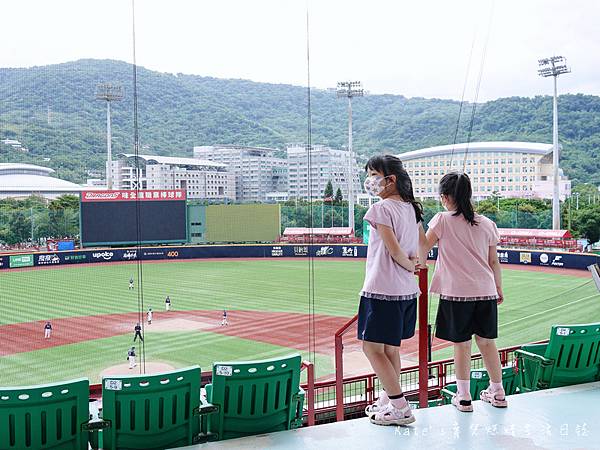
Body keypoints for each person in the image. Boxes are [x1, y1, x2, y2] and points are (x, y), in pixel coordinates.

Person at [422, 172, 506, 412]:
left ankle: (464, 396)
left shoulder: (441, 220)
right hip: (486, 291)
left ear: (445, 197)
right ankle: (498, 392)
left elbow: (423, 247)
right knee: (487, 342)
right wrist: (498, 287)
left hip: (456, 293)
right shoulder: (487, 223)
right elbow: (494, 261)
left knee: (462, 345)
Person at [358, 155, 424, 426]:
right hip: (407, 292)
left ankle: (399, 407)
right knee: (390, 349)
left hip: (382, 288)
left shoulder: (381, 208)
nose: (371, 181)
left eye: (375, 175)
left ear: (390, 179)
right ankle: (388, 400)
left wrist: (409, 265)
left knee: (372, 348)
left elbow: (393, 248)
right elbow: (419, 245)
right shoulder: (411, 208)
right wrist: (415, 264)